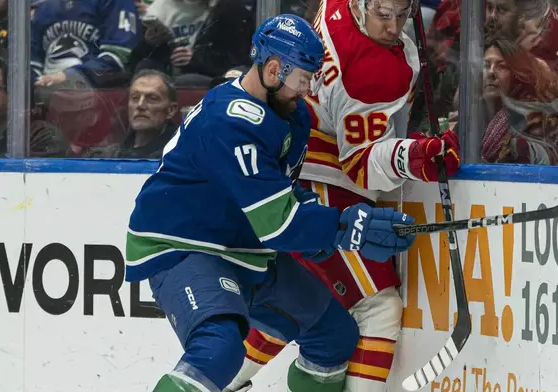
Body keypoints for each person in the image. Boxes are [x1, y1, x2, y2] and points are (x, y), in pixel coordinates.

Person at [124, 14, 416, 392]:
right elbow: (277, 223)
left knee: (334, 337)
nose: (308, 88)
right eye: (302, 78)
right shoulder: (231, 121)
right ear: (275, 69)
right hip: (185, 246)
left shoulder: (288, 115)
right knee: (220, 347)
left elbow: (283, 197)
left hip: (246, 247)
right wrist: (346, 227)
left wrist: (326, 231)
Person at [226, 1, 460, 392]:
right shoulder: (373, 72)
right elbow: (360, 165)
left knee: (296, 302)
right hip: (319, 182)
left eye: (401, 14)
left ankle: (207, 380)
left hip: (281, 168)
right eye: (383, 14)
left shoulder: (336, 6)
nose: (393, 26)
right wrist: (411, 156)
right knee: (378, 308)